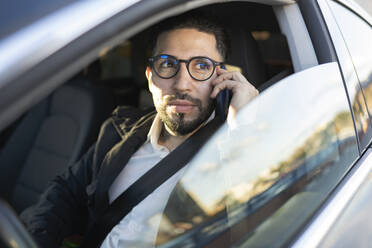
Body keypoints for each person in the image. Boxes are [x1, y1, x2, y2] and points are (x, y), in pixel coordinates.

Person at [21, 12, 258, 248]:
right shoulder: (118, 131)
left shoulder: (236, 148)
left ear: (222, 76)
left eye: (201, 66)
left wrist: (242, 130)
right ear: (149, 77)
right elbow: (65, 192)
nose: (182, 84)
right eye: (167, 64)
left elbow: (255, 226)